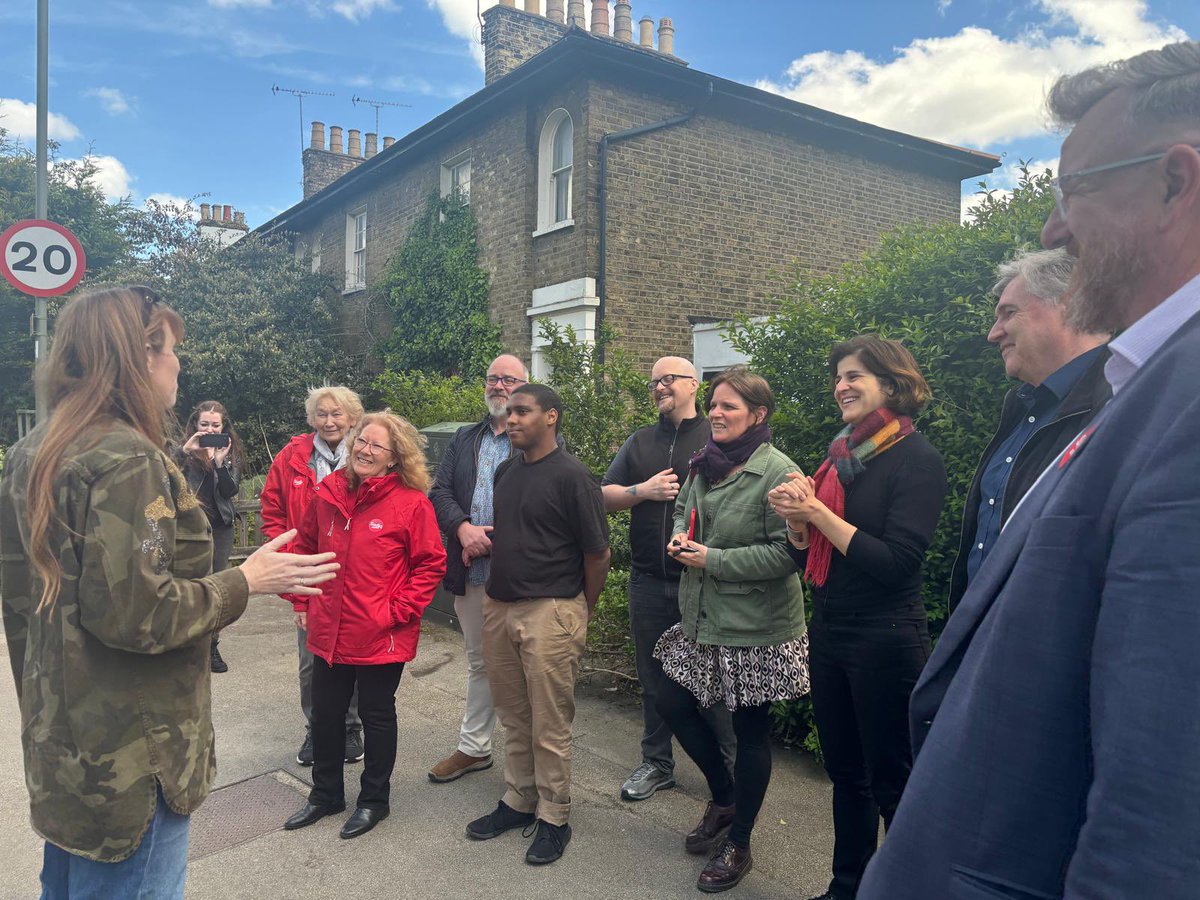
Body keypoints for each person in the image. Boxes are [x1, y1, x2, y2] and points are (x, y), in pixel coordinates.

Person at [857, 41, 1200, 899]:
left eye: (1073, 189)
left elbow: (1161, 829)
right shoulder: (1150, 385)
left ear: (1175, 180)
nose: (1053, 229)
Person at [0, 285, 338, 898]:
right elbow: (139, 613)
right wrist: (246, 580)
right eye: (171, 349)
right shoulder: (128, 458)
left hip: (67, 739)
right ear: (139, 356)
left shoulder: (34, 451)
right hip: (136, 752)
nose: (179, 362)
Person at [768, 337, 946, 900]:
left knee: (894, 783)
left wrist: (816, 510)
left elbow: (896, 564)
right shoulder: (839, 456)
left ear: (891, 385)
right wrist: (799, 524)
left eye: (856, 376)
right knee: (846, 775)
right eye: (839, 376)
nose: (841, 385)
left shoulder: (917, 460)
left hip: (886, 637)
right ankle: (846, 888)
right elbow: (809, 558)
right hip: (831, 630)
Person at [654, 366, 809, 894]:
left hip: (755, 627)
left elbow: (788, 554)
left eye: (729, 407)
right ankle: (723, 798)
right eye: (715, 405)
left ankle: (739, 841)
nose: (716, 414)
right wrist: (680, 537)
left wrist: (711, 558)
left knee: (750, 734)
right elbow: (681, 511)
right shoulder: (704, 465)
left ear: (758, 416)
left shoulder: (779, 473)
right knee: (671, 700)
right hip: (701, 616)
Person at [465, 384, 610, 866]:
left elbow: (597, 553)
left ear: (551, 417)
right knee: (514, 717)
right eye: (509, 412)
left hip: (550, 609)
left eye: (523, 411)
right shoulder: (507, 472)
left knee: (550, 724)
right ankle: (518, 800)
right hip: (500, 607)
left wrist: (578, 609)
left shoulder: (574, 477)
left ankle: (554, 815)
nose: (512, 418)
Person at [282, 411, 447, 839]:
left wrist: (396, 611)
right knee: (326, 715)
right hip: (328, 626)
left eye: (377, 446)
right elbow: (305, 548)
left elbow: (430, 563)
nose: (365, 450)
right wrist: (302, 598)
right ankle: (325, 795)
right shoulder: (328, 492)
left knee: (376, 716)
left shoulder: (411, 503)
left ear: (395, 459)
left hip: (380, 633)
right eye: (362, 441)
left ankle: (374, 800)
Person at [601, 356, 735, 802]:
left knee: (714, 677)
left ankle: (729, 767)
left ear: (694, 385)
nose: (659, 387)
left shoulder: (717, 437)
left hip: (704, 581)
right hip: (648, 580)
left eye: (668, 379)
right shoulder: (639, 442)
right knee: (654, 678)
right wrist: (644, 491)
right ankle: (657, 762)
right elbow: (600, 497)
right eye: (654, 381)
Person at [947, 248, 1109, 614]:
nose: (992, 334)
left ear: (1070, 304)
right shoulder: (1022, 410)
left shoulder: (1123, 402)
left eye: (1009, 313)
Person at [427, 354, 529, 784]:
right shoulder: (467, 437)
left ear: (525, 386)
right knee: (479, 660)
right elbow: (440, 491)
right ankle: (474, 747)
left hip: (518, 573)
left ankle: (530, 759)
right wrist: (463, 528)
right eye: (492, 378)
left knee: (522, 663)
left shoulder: (540, 439)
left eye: (508, 379)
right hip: (468, 570)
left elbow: (541, 505)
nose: (498, 386)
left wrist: (491, 541)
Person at [261, 385, 366, 767]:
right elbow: (272, 509)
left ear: (352, 417)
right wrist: (288, 558)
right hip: (309, 572)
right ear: (311, 419)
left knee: (352, 654)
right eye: (321, 414)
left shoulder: (366, 453)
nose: (329, 421)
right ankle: (318, 727)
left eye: (337, 414)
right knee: (311, 658)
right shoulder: (292, 456)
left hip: (355, 572)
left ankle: (351, 727)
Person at [177, 400, 245, 673]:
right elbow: (164, 479)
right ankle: (188, 643)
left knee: (215, 587)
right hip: (188, 529)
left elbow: (230, 492)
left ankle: (211, 645)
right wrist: (185, 452)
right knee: (189, 585)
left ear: (223, 427)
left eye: (215, 425)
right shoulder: (181, 453)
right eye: (204, 424)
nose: (209, 429)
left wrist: (219, 464)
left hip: (220, 529)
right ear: (195, 424)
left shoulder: (230, 454)